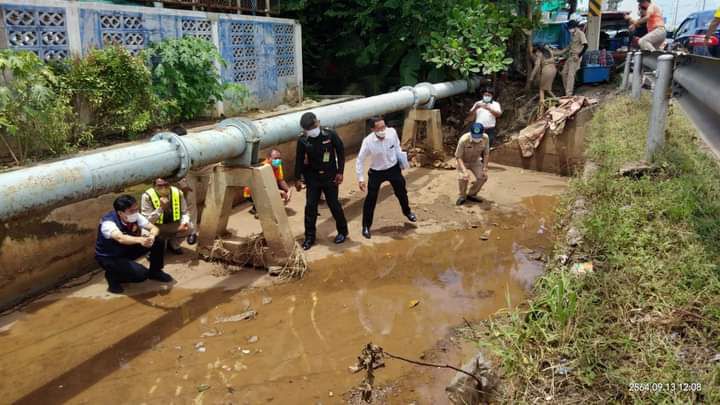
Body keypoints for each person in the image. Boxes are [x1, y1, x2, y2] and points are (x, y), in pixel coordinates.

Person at [95, 194, 173, 294]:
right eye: (131, 211)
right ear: (120, 213)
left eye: (136, 209)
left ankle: (156, 272)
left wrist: (152, 236)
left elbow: (154, 228)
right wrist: (140, 240)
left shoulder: (134, 216)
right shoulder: (108, 223)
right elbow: (120, 238)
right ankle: (112, 276)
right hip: (110, 257)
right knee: (141, 276)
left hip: (126, 249)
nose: (135, 212)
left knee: (158, 240)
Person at [356, 116, 417, 239]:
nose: (383, 130)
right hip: (376, 172)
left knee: (402, 192)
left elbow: (397, 147)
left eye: (384, 127)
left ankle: (407, 212)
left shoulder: (392, 133)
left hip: (393, 169)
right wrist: (361, 179)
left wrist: (402, 162)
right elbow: (360, 160)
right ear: (373, 129)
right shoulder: (368, 142)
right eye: (379, 128)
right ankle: (366, 226)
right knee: (371, 199)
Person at [295, 112, 349, 250]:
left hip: (330, 176)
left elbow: (341, 152)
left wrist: (340, 172)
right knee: (310, 207)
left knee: (334, 205)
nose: (311, 131)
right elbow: (299, 159)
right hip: (312, 177)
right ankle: (309, 237)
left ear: (317, 123)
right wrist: (297, 178)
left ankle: (343, 232)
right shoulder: (303, 140)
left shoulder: (330, 134)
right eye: (308, 129)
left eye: (312, 127)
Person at [141, 178, 193, 255]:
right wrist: (161, 208)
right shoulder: (147, 196)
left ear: (170, 184)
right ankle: (151, 250)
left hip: (172, 224)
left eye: (166, 185)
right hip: (155, 226)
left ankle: (173, 244)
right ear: (154, 186)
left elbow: (184, 212)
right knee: (145, 232)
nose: (163, 188)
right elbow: (147, 221)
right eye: (159, 185)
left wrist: (184, 223)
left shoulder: (178, 193)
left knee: (189, 227)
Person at [244, 149, 293, 215]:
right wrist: (279, 192)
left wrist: (288, 190)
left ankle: (260, 207)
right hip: (252, 193)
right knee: (269, 194)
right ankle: (258, 208)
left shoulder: (278, 166)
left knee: (282, 190)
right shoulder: (263, 168)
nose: (278, 160)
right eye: (275, 158)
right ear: (268, 158)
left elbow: (281, 180)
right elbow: (263, 187)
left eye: (279, 158)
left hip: (267, 187)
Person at [455, 123, 490, 206]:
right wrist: (464, 171)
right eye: (474, 136)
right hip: (463, 161)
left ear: (482, 133)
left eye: (478, 136)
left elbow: (486, 154)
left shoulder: (485, 138)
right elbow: (458, 156)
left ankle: (472, 194)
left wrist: (485, 167)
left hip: (475, 161)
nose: (476, 139)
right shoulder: (463, 139)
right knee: (463, 178)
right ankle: (462, 196)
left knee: (483, 177)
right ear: (470, 133)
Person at [560, 20, 588, 97]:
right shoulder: (572, 34)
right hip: (570, 56)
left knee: (570, 75)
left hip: (575, 57)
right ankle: (567, 90)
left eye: (570, 28)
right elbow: (569, 47)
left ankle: (568, 94)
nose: (569, 30)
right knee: (563, 73)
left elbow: (586, 46)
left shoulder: (580, 33)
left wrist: (579, 56)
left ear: (575, 27)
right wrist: (558, 52)